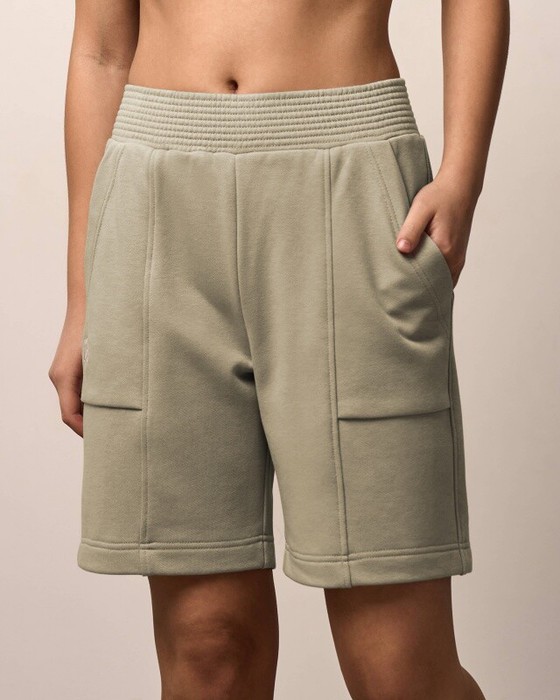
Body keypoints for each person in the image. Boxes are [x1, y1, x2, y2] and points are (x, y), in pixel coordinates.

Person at [49, 0, 508, 697]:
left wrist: (462, 178)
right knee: (208, 649)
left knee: (399, 668)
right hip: (156, 204)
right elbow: (101, 49)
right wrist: (83, 296)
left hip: (347, 176)